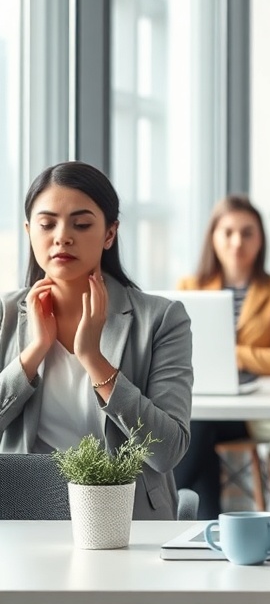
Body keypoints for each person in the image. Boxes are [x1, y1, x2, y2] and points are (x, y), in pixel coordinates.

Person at [0, 162, 193, 519]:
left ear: (109, 233)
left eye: (82, 223)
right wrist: (32, 354)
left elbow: (167, 451)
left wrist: (93, 359)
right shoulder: (5, 315)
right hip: (23, 518)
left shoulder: (162, 319)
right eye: (47, 224)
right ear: (29, 231)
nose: (62, 236)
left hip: (129, 521)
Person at [172, 195, 270, 519]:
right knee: (199, 426)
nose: (236, 241)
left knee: (195, 428)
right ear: (213, 237)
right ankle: (207, 526)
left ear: (260, 239)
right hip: (202, 402)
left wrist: (230, 355)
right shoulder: (189, 286)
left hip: (252, 411)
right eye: (227, 232)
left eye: (247, 232)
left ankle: (168, 509)